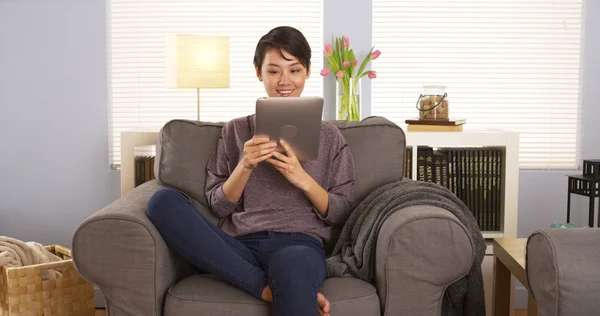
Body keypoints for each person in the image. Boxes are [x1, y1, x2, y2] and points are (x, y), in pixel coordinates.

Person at [146, 26, 355, 316]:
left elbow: (342, 211)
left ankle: (283, 286)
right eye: (273, 71)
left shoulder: (331, 138)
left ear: (307, 72)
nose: (284, 81)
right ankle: (266, 287)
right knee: (161, 202)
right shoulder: (235, 131)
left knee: (294, 270)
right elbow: (218, 206)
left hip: (298, 244)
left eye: (294, 70)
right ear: (258, 72)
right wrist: (245, 165)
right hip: (238, 245)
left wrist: (302, 179)